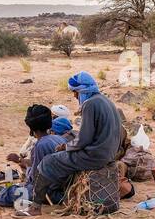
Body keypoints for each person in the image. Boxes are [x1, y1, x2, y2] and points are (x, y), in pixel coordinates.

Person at [32, 72, 123, 206]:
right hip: (109, 154)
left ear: (83, 90)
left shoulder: (90, 104)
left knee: (48, 162)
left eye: (76, 92)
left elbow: (84, 139)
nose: (75, 96)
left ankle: (35, 206)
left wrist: (66, 147)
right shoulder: (106, 101)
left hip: (95, 156)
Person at [0, 105, 66, 208]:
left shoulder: (40, 145)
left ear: (30, 126)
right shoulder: (58, 139)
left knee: (5, 195)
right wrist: (22, 162)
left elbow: (36, 179)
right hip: (62, 190)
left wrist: (27, 170)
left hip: (49, 193)